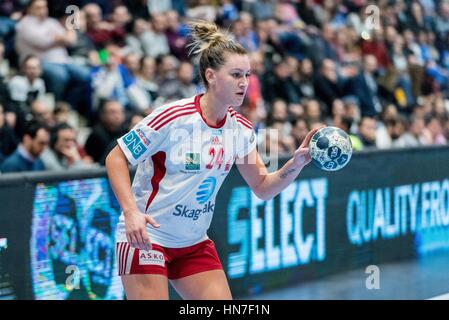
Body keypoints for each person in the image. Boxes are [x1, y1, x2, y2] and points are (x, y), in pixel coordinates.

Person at [105, 20, 318, 300]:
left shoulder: (241, 129)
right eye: (236, 75)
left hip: (193, 242)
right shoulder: (173, 117)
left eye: (247, 75)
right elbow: (116, 157)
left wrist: (295, 164)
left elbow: (263, 187)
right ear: (211, 76)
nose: (244, 83)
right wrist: (131, 212)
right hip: (147, 238)